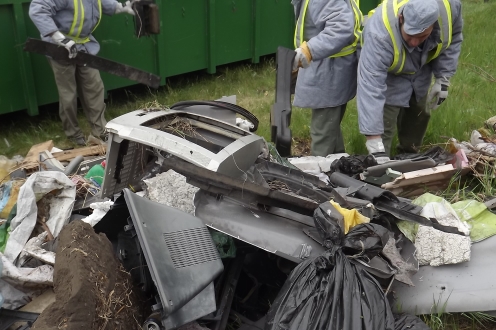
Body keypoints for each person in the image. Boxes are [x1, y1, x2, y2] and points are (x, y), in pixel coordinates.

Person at [357, 0, 463, 163]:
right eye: (410, 35)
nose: (414, 42)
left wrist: (443, 77)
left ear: (434, 25)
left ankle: (409, 157)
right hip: (389, 73)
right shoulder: (379, 32)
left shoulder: (450, 7)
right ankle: (377, 164)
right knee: (385, 118)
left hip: (421, 66)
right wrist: (373, 138)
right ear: (401, 19)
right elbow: (371, 85)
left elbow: (453, 38)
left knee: (418, 114)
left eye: (421, 35)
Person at [29, 0, 135, 146]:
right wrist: (60, 38)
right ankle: (73, 134)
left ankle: (99, 132)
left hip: (84, 47)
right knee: (68, 95)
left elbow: (103, 3)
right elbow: (37, 10)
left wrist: (123, 7)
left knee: (95, 88)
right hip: (60, 49)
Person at [291, 0, 362, 156]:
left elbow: (341, 28)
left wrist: (309, 50)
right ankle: (338, 165)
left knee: (323, 131)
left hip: (330, 71)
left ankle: (321, 176)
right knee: (330, 126)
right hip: (331, 67)